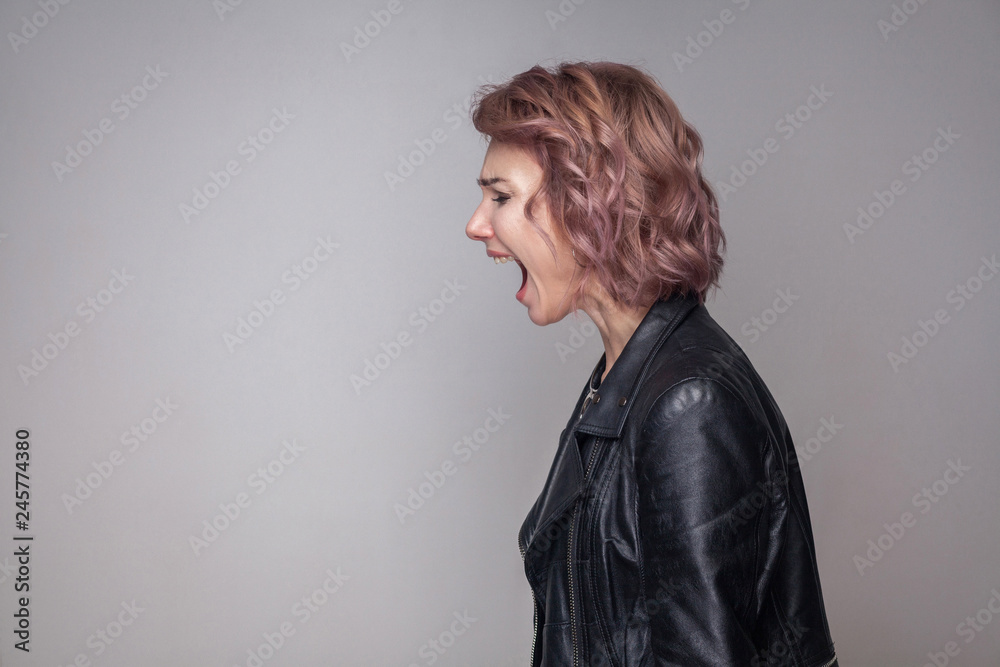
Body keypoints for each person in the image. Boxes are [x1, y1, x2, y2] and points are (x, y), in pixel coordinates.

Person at [465, 61, 838, 666]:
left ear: (589, 203)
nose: (476, 224)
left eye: (501, 196)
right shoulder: (626, 378)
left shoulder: (688, 404)